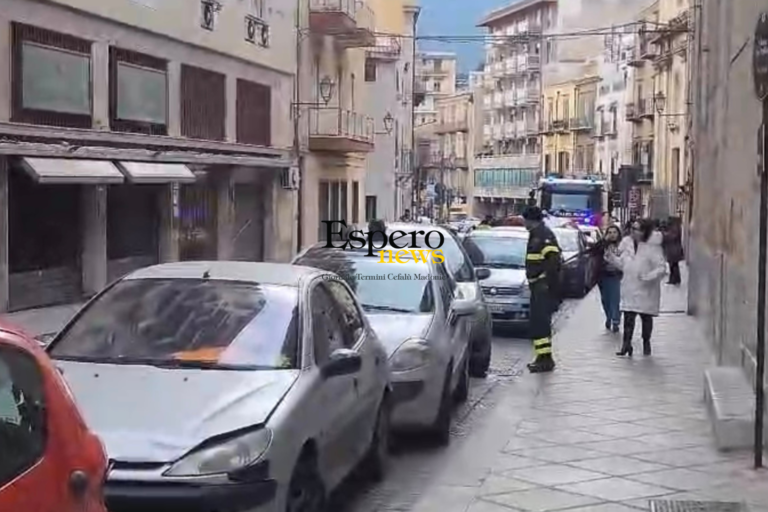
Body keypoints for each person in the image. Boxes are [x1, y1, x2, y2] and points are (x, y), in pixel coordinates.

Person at [605, 219, 667, 357]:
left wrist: (649, 276)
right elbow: (623, 265)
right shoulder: (626, 244)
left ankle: (646, 343)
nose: (633, 231)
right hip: (629, 286)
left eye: (637, 229)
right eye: (632, 228)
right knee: (628, 318)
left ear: (644, 231)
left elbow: (661, 267)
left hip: (646, 289)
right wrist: (612, 258)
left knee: (646, 318)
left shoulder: (653, 247)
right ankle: (626, 345)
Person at [522, 206, 562, 373]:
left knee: (541, 324)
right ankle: (542, 357)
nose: (523, 222)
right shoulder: (536, 234)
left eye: (525, 219)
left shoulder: (544, 236)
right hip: (537, 286)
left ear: (531, 220)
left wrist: (544, 281)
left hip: (542, 287)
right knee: (537, 324)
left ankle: (545, 360)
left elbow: (553, 262)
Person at [593, 224, 623, 333]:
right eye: (609, 233)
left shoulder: (622, 245)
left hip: (616, 275)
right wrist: (604, 241)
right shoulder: (603, 245)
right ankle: (609, 317)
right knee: (605, 300)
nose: (612, 235)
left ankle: (615, 321)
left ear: (618, 234)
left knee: (615, 299)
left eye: (614, 232)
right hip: (603, 276)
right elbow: (595, 250)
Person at [662, 216, 684, 285]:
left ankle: (674, 279)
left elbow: (672, 236)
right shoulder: (676, 227)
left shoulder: (675, 228)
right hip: (674, 249)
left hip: (674, 250)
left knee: (673, 265)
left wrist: (665, 235)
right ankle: (675, 279)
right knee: (674, 265)